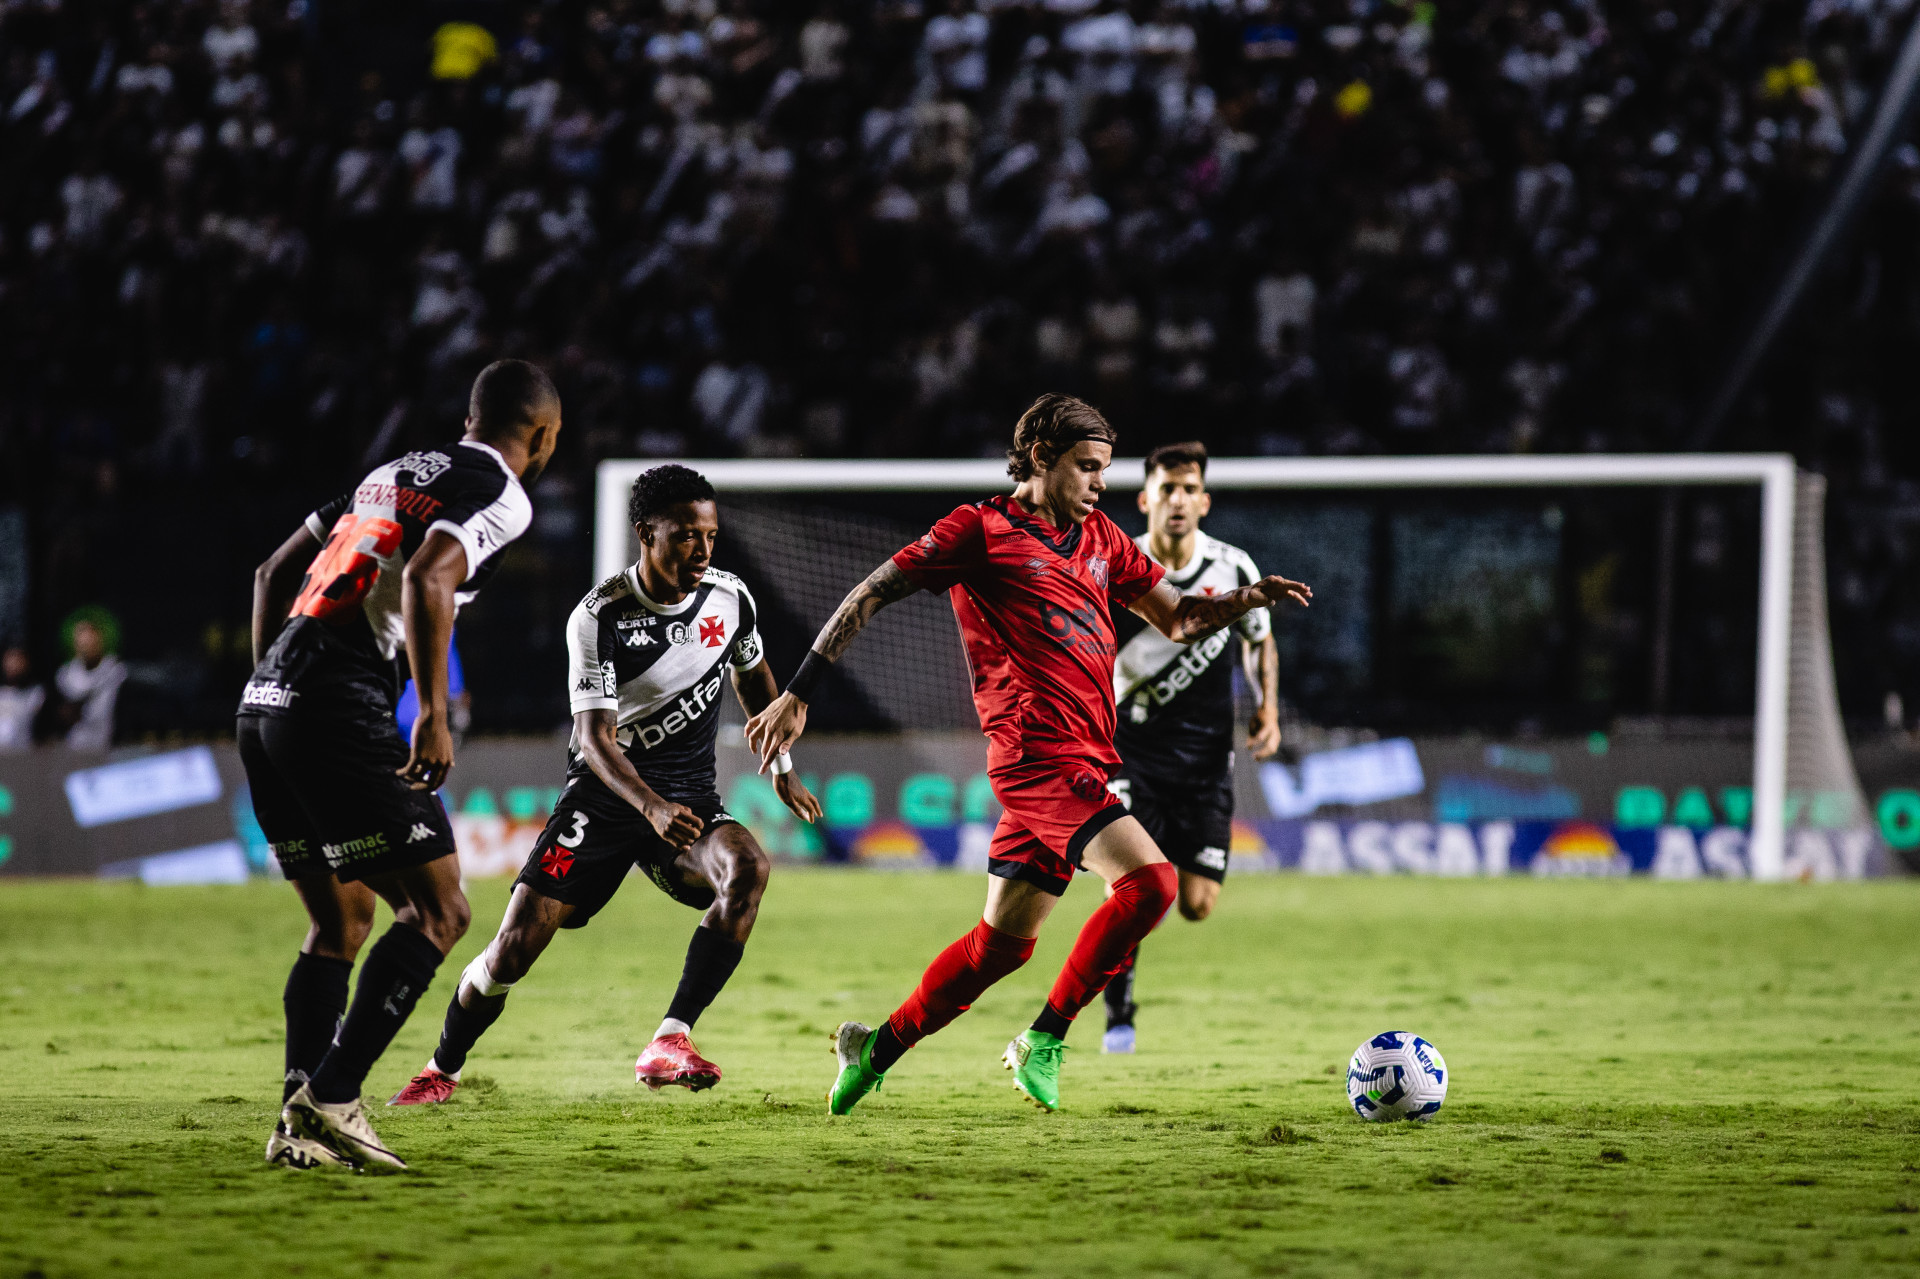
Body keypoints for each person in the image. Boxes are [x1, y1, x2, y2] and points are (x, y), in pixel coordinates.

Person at [744, 394, 1310, 1114]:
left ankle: (873, 1047)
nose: (1101, 483)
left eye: (1106, 468)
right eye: (1088, 466)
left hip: (1087, 758)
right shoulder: (978, 529)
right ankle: (1044, 1039)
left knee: (999, 948)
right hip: (1036, 759)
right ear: (1042, 457)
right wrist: (799, 692)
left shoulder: (1103, 536)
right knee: (1153, 884)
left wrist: (1246, 598)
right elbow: (873, 590)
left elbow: (1179, 619)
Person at [389, 465, 820, 1107]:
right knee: (513, 950)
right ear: (645, 533)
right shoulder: (599, 617)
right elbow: (594, 738)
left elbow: (754, 678)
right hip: (604, 799)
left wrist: (782, 767)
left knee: (747, 867)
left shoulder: (732, 597)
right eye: (684, 537)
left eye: (709, 536)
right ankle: (439, 1069)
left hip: (688, 803)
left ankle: (670, 1039)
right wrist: (648, 805)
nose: (701, 551)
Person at [240, 359, 561, 1170]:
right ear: (544, 434)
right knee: (441, 910)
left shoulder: (389, 473)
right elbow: (429, 575)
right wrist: (433, 714)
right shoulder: (504, 492)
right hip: (338, 703)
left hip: (268, 697)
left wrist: (272, 679)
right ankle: (334, 1095)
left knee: (339, 922)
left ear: (468, 416)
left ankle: (295, 1123)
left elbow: (271, 573)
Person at [1098, 441, 1283, 1055]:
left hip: (1206, 760)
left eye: (1188, 489)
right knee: (1134, 886)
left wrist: (1266, 705)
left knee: (1197, 903)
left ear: (1203, 501)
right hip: (1133, 753)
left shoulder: (1232, 567)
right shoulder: (1117, 568)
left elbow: (1259, 640)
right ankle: (1118, 1008)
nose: (1177, 500)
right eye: (1166, 489)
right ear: (1146, 499)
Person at [54, 614, 127, 751]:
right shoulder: (66, 674)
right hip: (76, 746)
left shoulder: (116, 671)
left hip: (109, 744)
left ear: (100, 641)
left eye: (91, 640)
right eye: (82, 641)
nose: (87, 646)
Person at [0, 647, 44, 751]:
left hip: (25, 754)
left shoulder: (36, 694)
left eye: (18, 661)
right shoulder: (2, 693)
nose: (14, 666)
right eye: (10, 660)